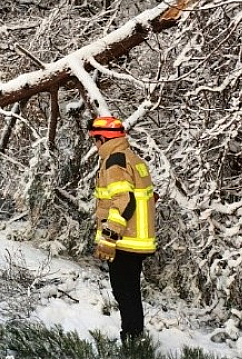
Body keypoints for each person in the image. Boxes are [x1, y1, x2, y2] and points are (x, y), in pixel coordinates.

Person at [87, 116, 157, 343]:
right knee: (130, 294)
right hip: (137, 241)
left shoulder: (114, 161)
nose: (94, 145)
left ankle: (132, 343)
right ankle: (135, 339)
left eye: (95, 140)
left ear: (102, 138)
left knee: (125, 294)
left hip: (125, 241)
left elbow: (124, 202)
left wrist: (109, 236)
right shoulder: (131, 157)